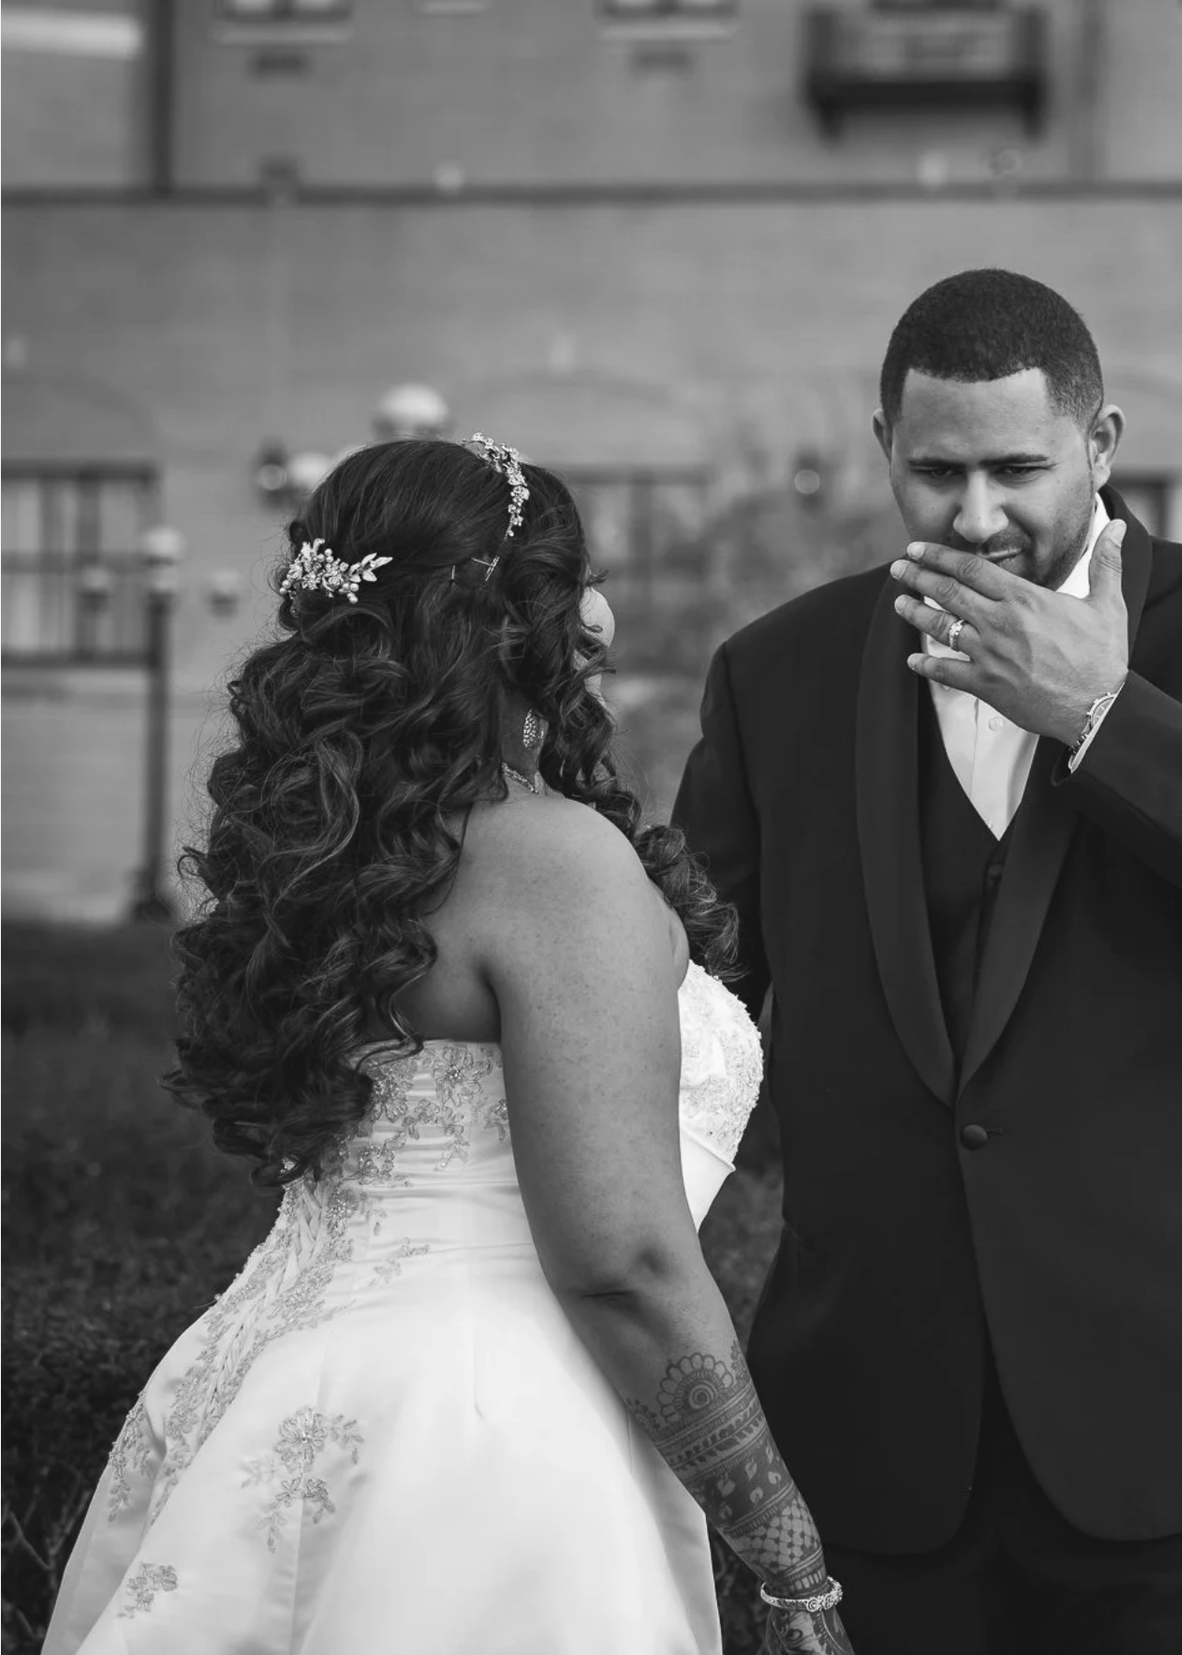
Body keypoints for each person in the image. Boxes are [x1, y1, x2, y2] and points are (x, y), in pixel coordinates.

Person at [671, 267, 1182, 1652]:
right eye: (935, 471)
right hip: (882, 1450)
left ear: (1103, 441)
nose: (977, 516)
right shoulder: (773, 675)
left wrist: (1106, 714)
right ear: (884, 447)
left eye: (1018, 469)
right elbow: (688, 1023)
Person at [41, 435, 852, 1655]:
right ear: (518, 611)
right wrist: (790, 1560)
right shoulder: (554, 862)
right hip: (484, 1437)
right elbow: (622, 1255)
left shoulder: (340, 858)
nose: (603, 609)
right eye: (578, 574)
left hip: (258, 1383)